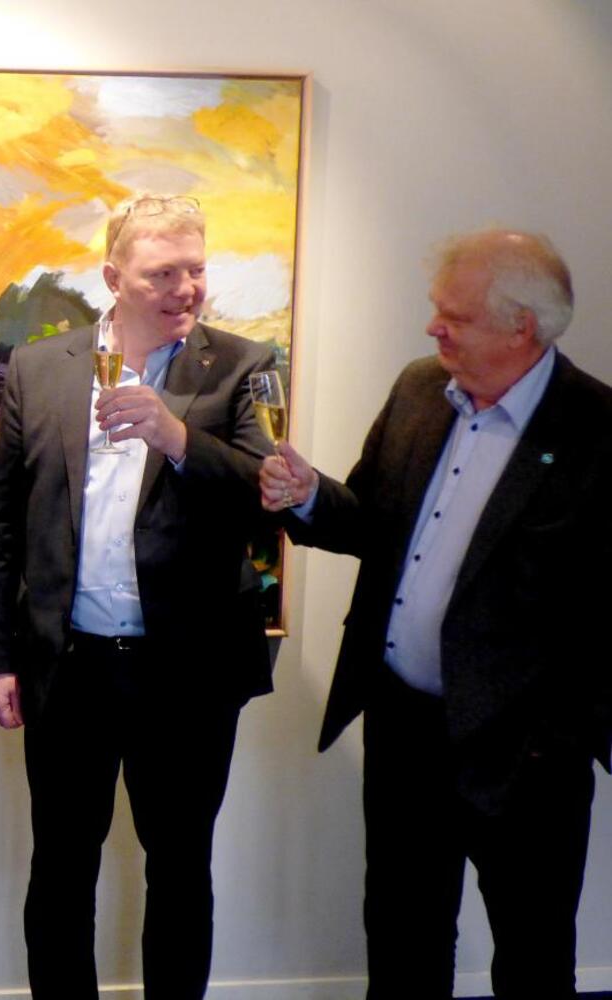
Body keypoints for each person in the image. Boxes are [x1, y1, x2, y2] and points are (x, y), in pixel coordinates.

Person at [261, 229, 612, 999]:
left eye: (454, 316)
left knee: (533, 958)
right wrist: (310, 497)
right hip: (404, 730)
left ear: (521, 327)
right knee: (402, 940)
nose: (433, 328)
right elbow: (370, 521)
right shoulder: (422, 390)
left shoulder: (596, 430)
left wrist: (564, 733)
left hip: (525, 757)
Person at [0, 193, 276, 999]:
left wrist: (177, 438)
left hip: (187, 672)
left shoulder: (243, 365)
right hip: (67, 666)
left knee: (179, 869)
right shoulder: (41, 367)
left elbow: (265, 493)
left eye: (196, 269)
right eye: (162, 274)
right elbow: (0, 525)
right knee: (60, 869)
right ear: (113, 279)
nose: (186, 288)